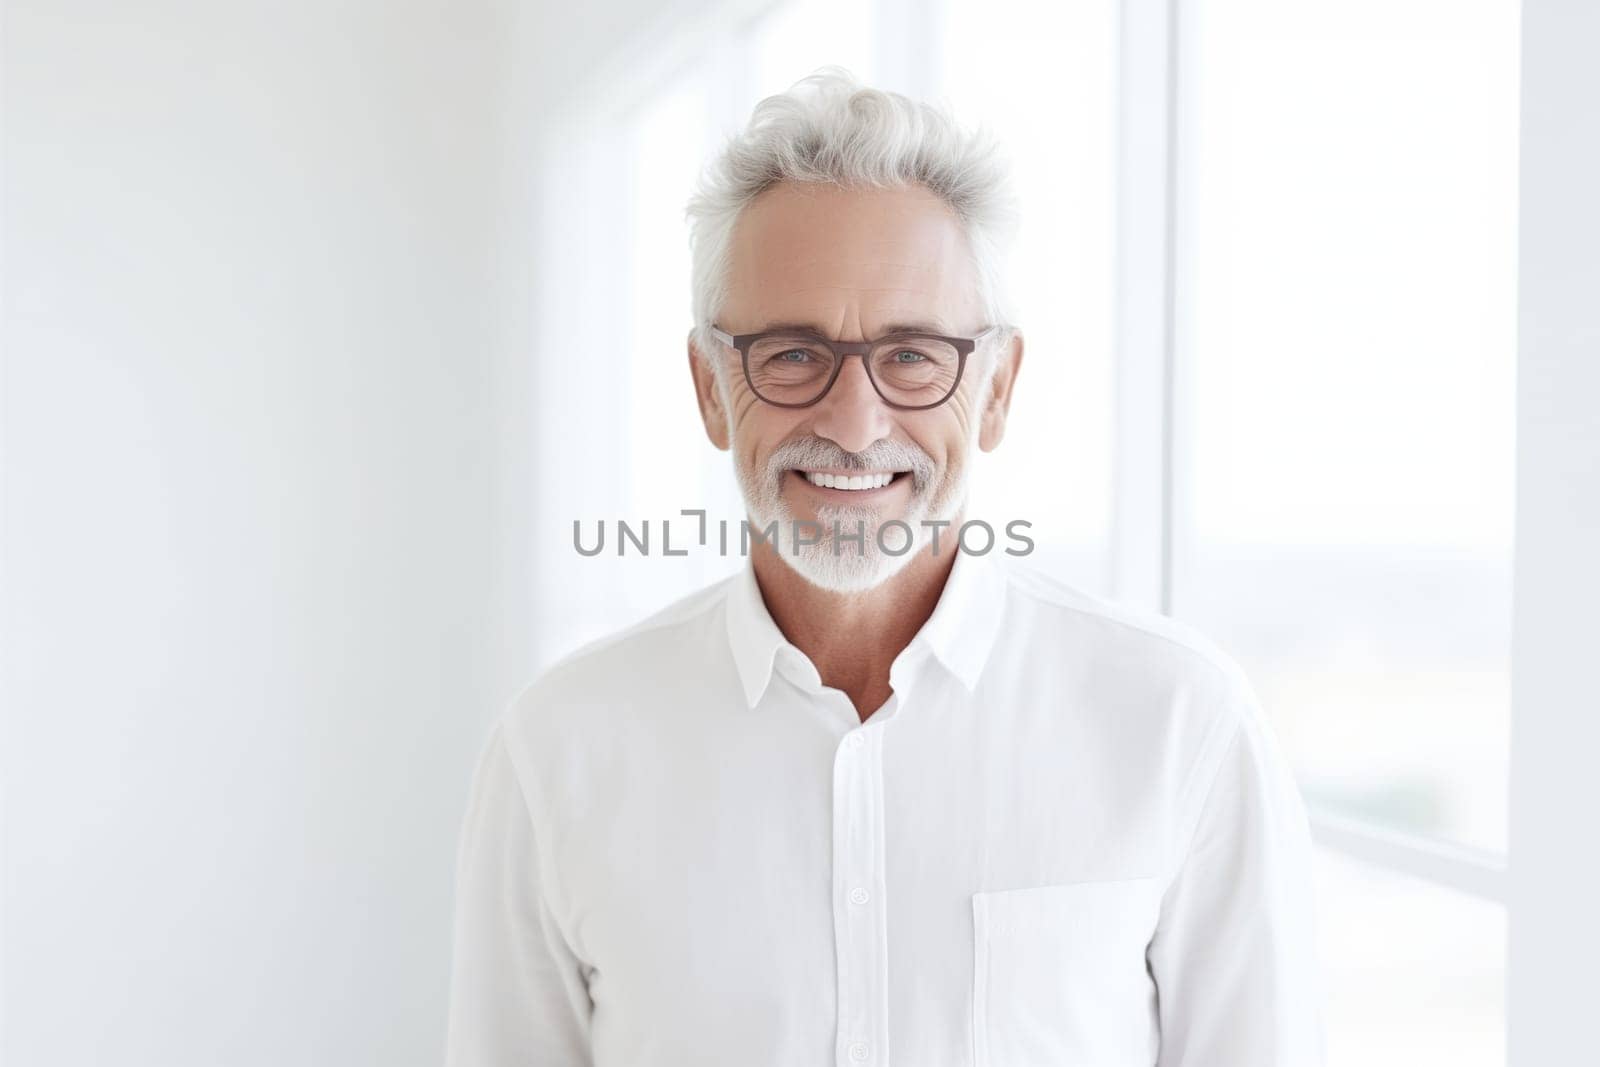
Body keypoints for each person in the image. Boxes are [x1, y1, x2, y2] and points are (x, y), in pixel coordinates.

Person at [445, 67, 1325, 1066]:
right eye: (789, 353)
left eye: (912, 356)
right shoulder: (558, 750)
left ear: (994, 390)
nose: (854, 422)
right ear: (708, 387)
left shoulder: (1178, 723)